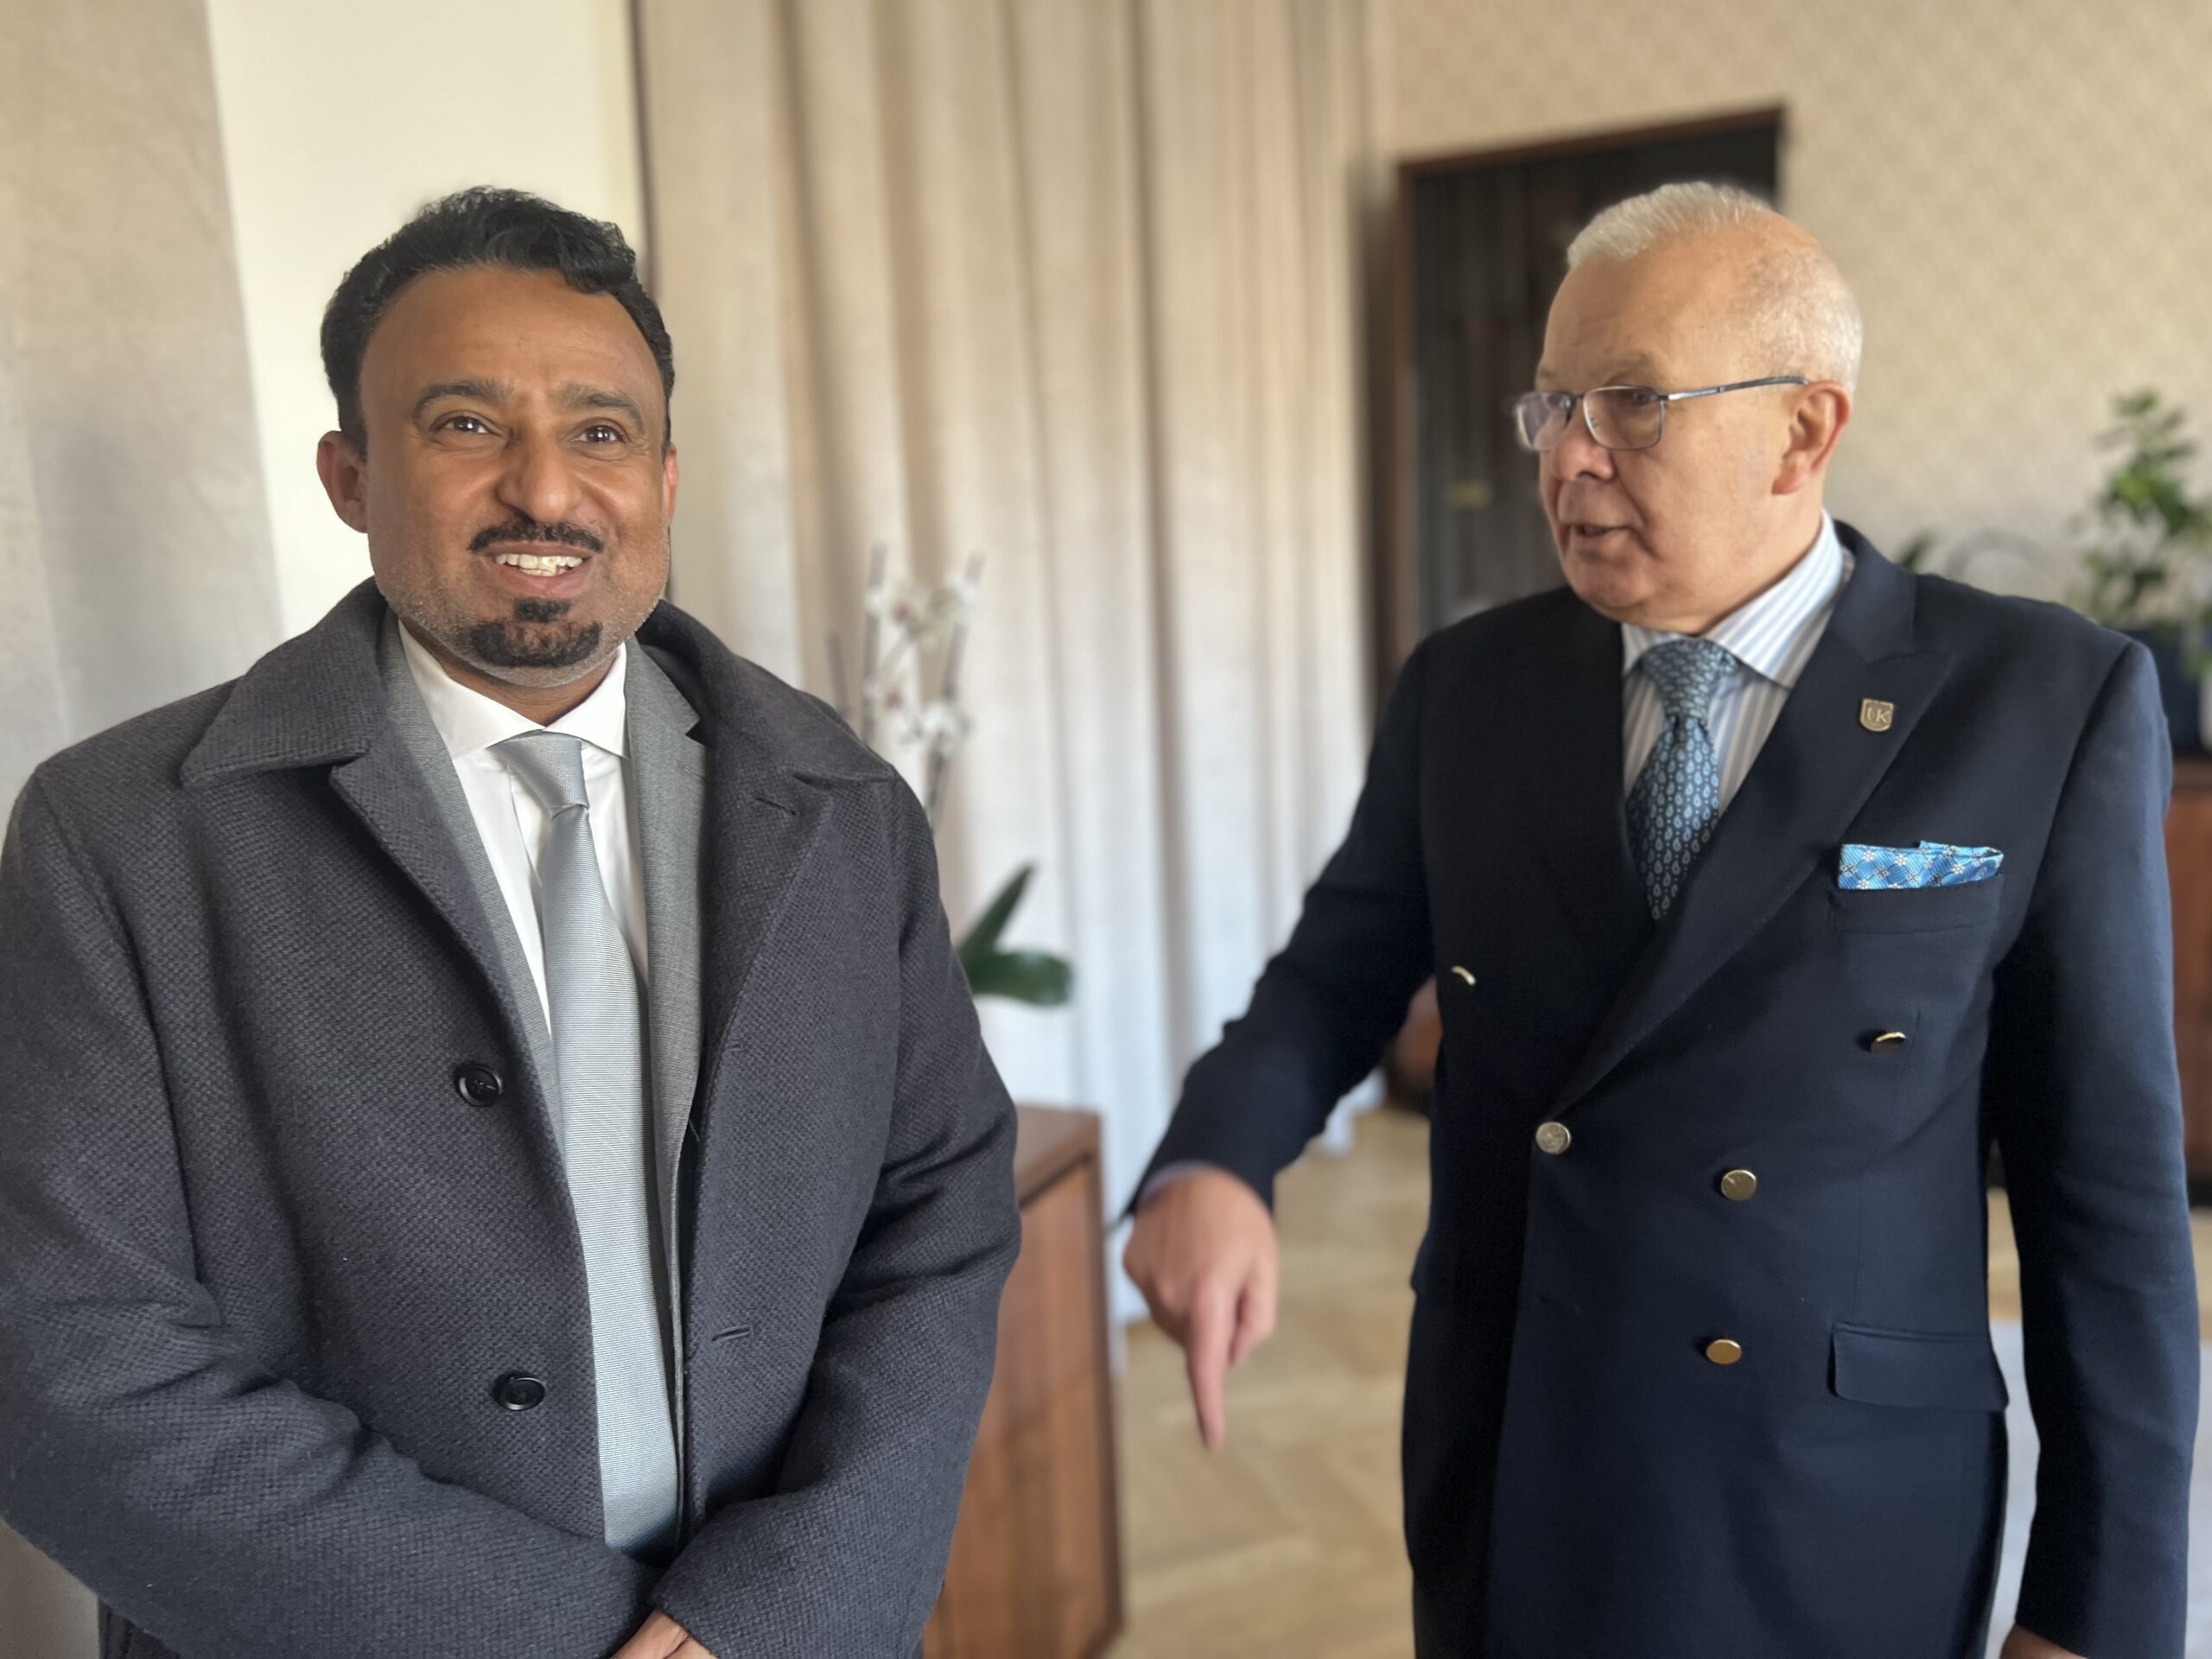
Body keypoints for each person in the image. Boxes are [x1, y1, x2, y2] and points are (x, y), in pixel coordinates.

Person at [1125, 181, 2196, 1657]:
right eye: (1552, 404)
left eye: (1634, 402)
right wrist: (1216, 1156)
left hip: (1834, 1497)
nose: (1569, 456)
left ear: (1804, 431)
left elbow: (2108, 1206)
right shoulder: (1470, 688)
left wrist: (2096, 1619)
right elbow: (1336, 971)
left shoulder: (2038, 700)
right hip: (1522, 1446)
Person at [0, 188, 1018, 1659]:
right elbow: (64, 1358)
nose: (547, 489)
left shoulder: (840, 803)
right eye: (466, 425)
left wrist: (785, 1608)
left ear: (665, 477)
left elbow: (942, 1211)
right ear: (352, 476)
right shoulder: (120, 839)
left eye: (601, 431)